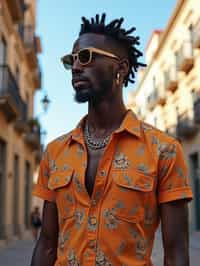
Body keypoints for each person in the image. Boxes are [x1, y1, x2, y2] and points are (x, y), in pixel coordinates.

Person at [31, 14, 193, 266]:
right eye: (71, 60)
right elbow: (46, 244)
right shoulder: (55, 152)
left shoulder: (165, 151)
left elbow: (177, 252)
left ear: (121, 68)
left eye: (86, 57)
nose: (75, 66)